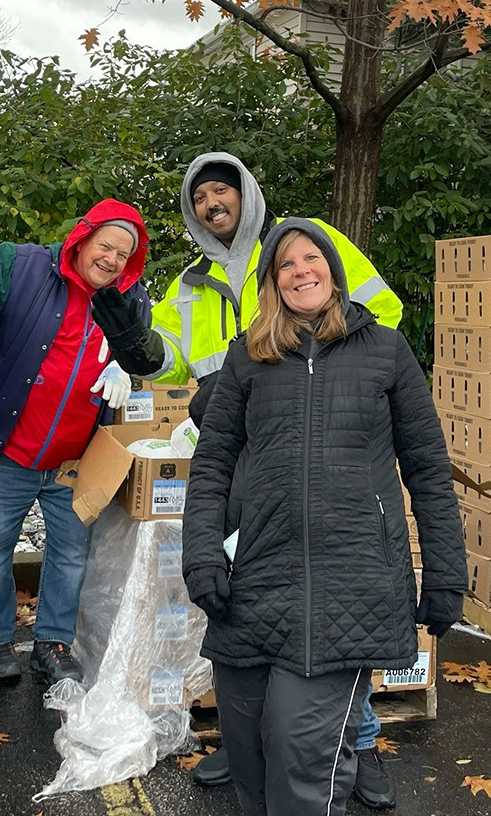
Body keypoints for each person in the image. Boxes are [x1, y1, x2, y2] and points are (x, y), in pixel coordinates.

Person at [90, 153, 404, 807]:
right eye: (200, 196)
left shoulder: (303, 246)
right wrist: (134, 349)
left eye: (221, 191)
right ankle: (246, 744)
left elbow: (384, 311)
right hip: (237, 460)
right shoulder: (193, 285)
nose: (212, 203)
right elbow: (170, 362)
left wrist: (315, 377)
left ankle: (360, 743)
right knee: (250, 600)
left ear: (246, 195)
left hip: (311, 448)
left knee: (326, 604)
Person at [180, 219, 467, 816]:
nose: (301, 270)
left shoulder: (385, 351)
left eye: (313, 258)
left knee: (301, 760)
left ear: (334, 274)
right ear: (271, 282)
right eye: (286, 263)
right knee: (249, 756)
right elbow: (210, 468)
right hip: (255, 583)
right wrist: (202, 555)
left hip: (352, 584)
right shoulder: (248, 360)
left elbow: (429, 472)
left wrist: (445, 573)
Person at [0, 199, 150, 685]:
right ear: (83, 238)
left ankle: (52, 643)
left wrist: (124, 365)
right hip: (6, 446)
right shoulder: (28, 267)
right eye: (106, 245)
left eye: (124, 253)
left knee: (72, 553)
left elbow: (145, 353)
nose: (112, 259)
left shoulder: (129, 299)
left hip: (76, 457)